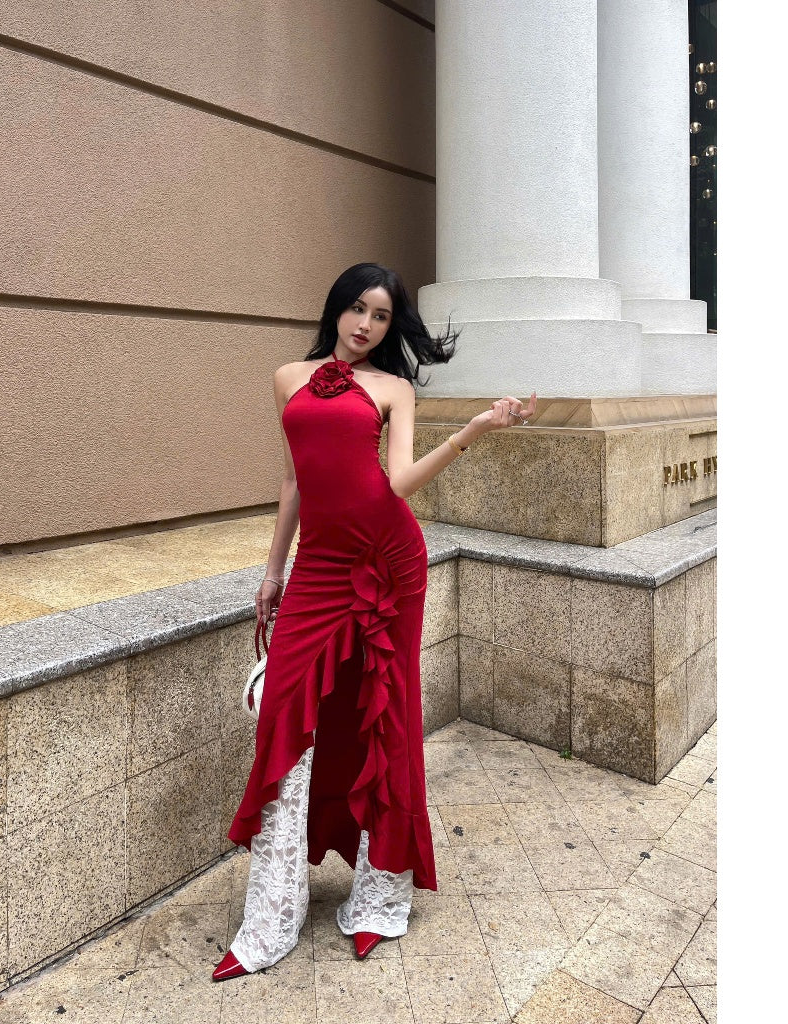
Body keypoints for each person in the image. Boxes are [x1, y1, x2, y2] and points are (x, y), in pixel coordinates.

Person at [213, 262, 537, 981]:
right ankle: (272, 916)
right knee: (283, 713)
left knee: (384, 715)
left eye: (381, 316)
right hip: (319, 566)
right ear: (337, 308)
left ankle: (379, 895)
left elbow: (396, 484)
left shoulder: (394, 388)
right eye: (358, 308)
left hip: (389, 561)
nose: (365, 324)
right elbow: (294, 480)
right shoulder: (288, 378)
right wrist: (273, 571)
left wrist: (474, 430)